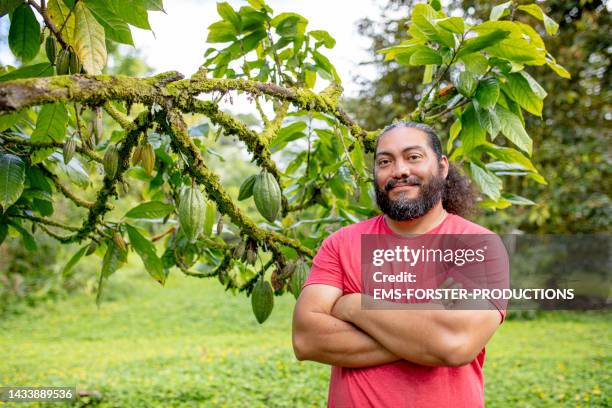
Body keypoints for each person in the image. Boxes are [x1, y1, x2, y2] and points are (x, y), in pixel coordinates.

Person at [291, 121, 508, 408]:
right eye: (385, 161)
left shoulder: (478, 245)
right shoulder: (341, 243)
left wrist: (354, 306)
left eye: (413, 157)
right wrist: (426, 336)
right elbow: (307, 339)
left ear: (442, 167)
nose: (399, 170)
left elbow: (455, 344)